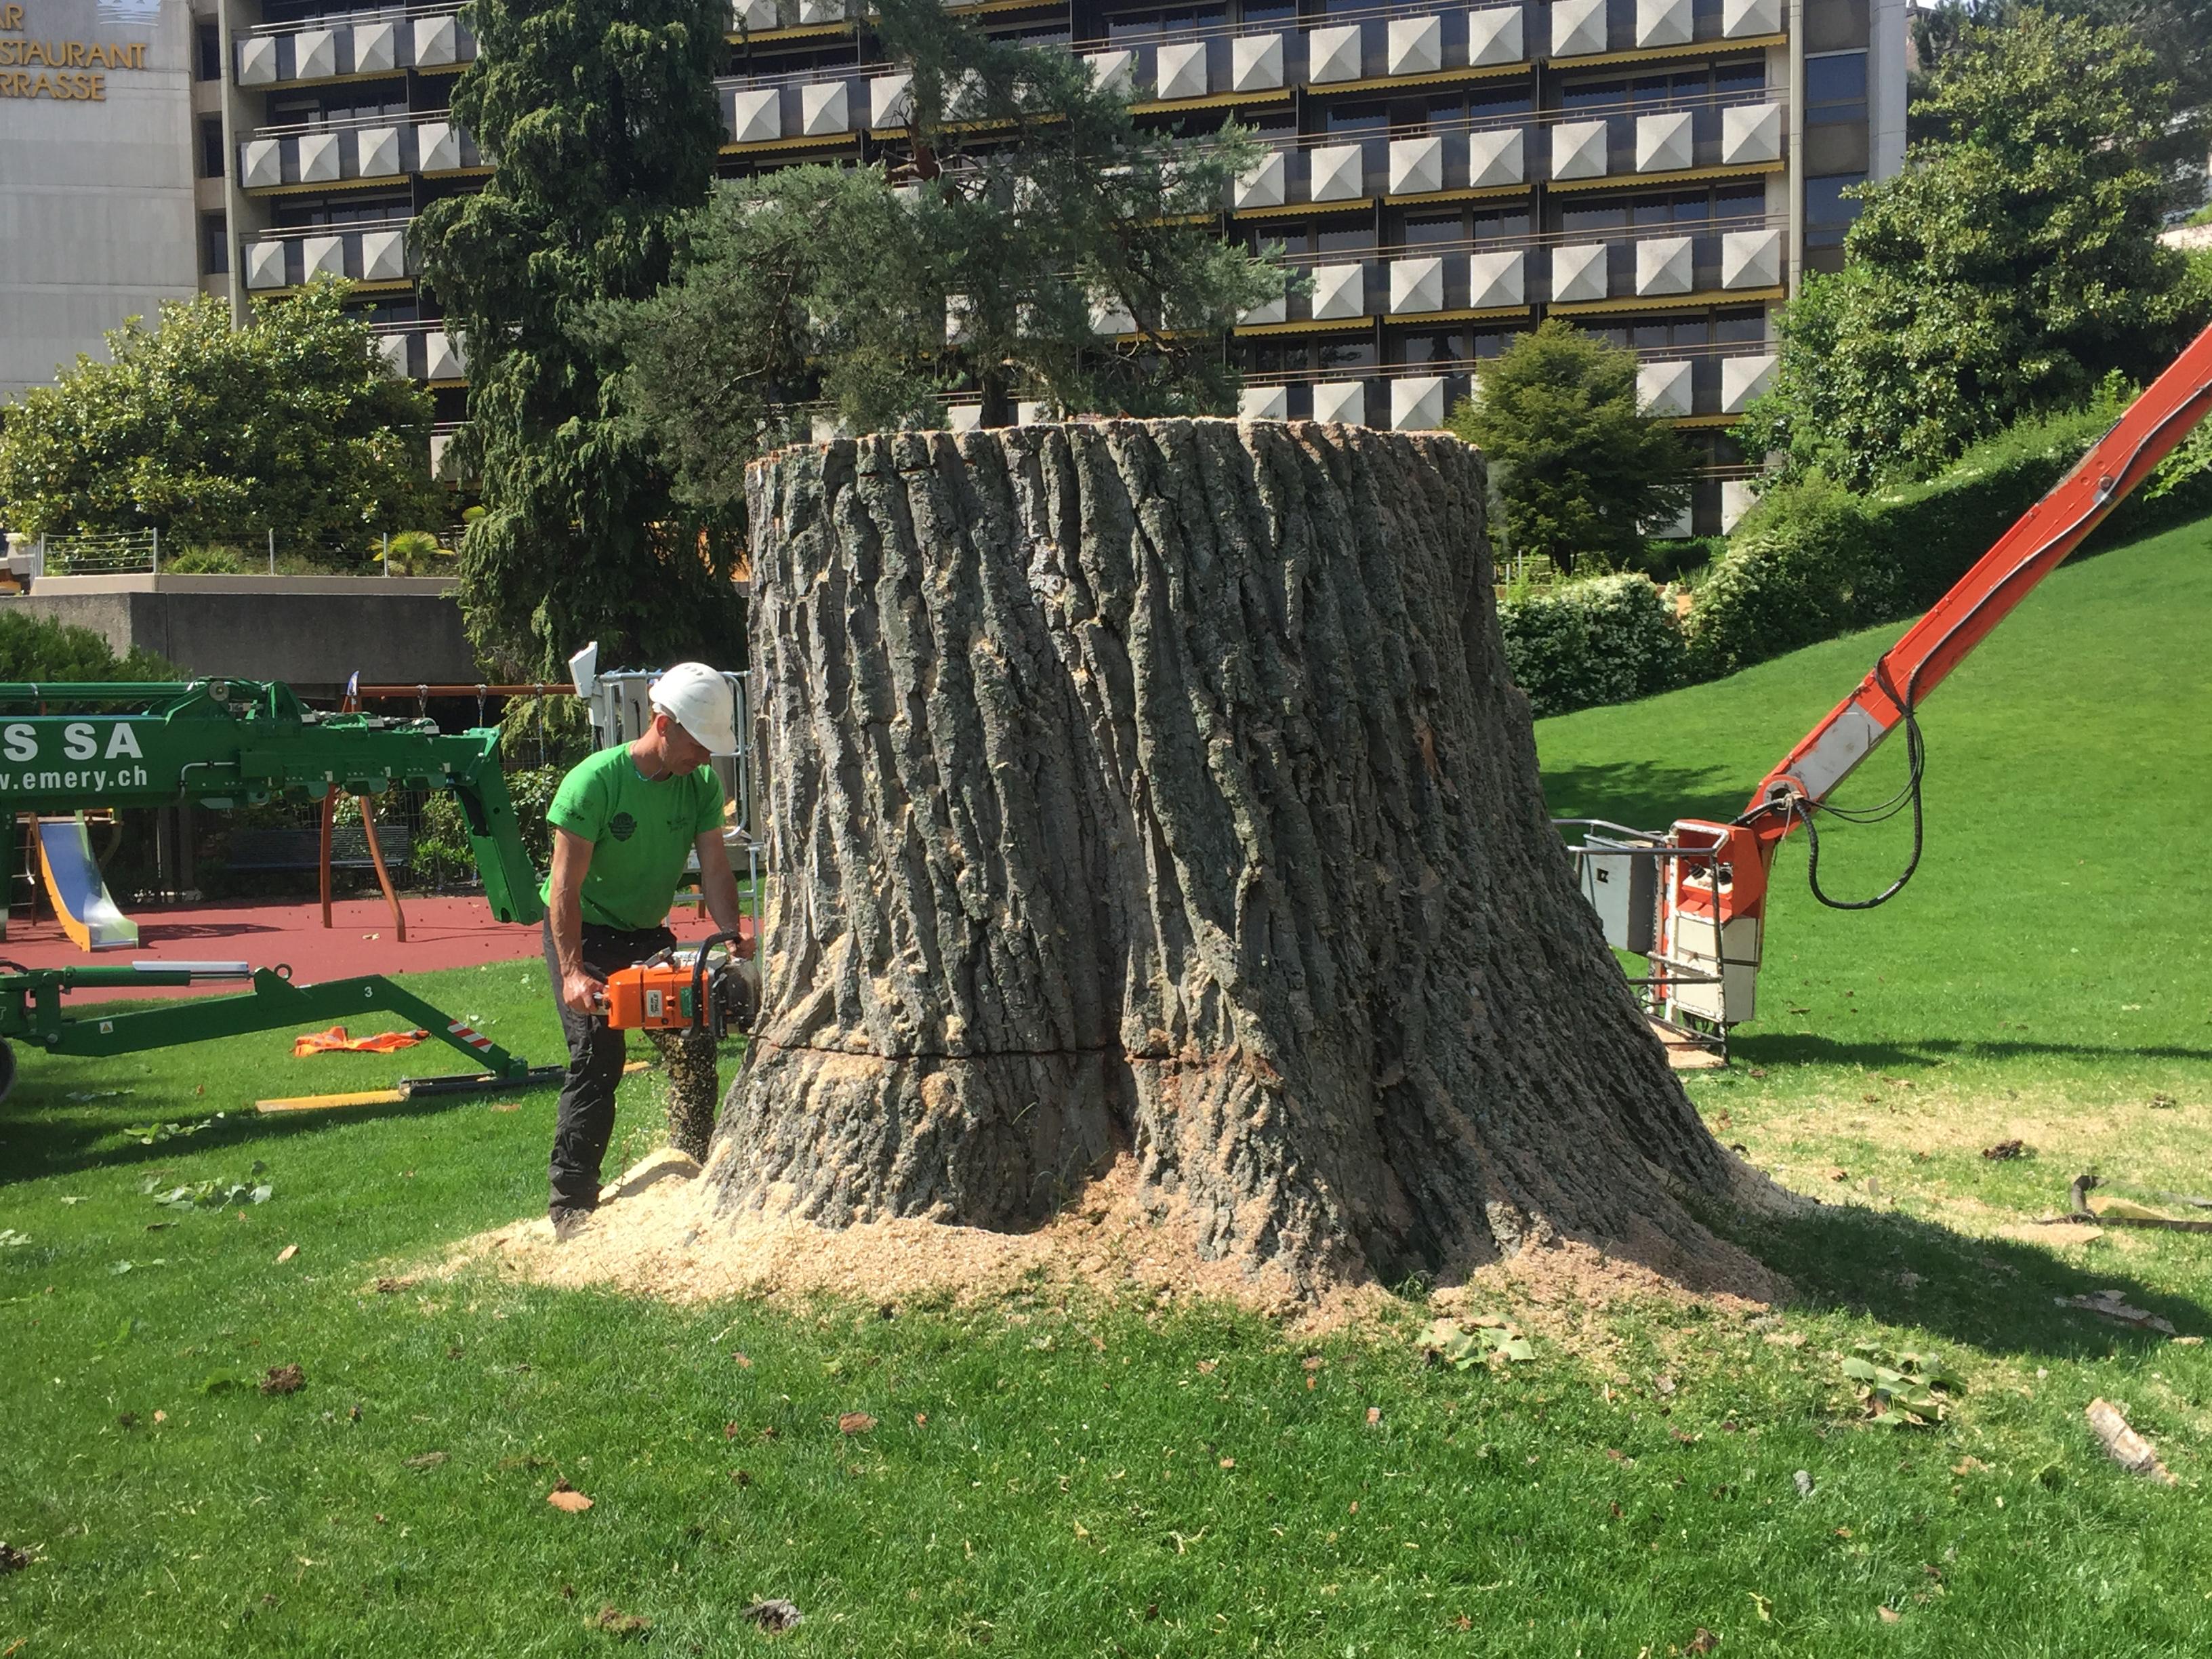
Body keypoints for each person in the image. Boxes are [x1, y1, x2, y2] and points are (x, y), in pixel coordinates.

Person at [541, 662, 747, 1240]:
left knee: (693, 1043)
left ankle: (691, 1161)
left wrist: (732, 934)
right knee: (596, 1057)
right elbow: (564, 889)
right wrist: (574, 972)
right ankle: (571, 1204)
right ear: (663, 724)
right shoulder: (594, 783)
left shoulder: (701, 785)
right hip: (587, 933)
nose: (706, 759)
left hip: (646, 937)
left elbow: (713, 866)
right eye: (699, 745)